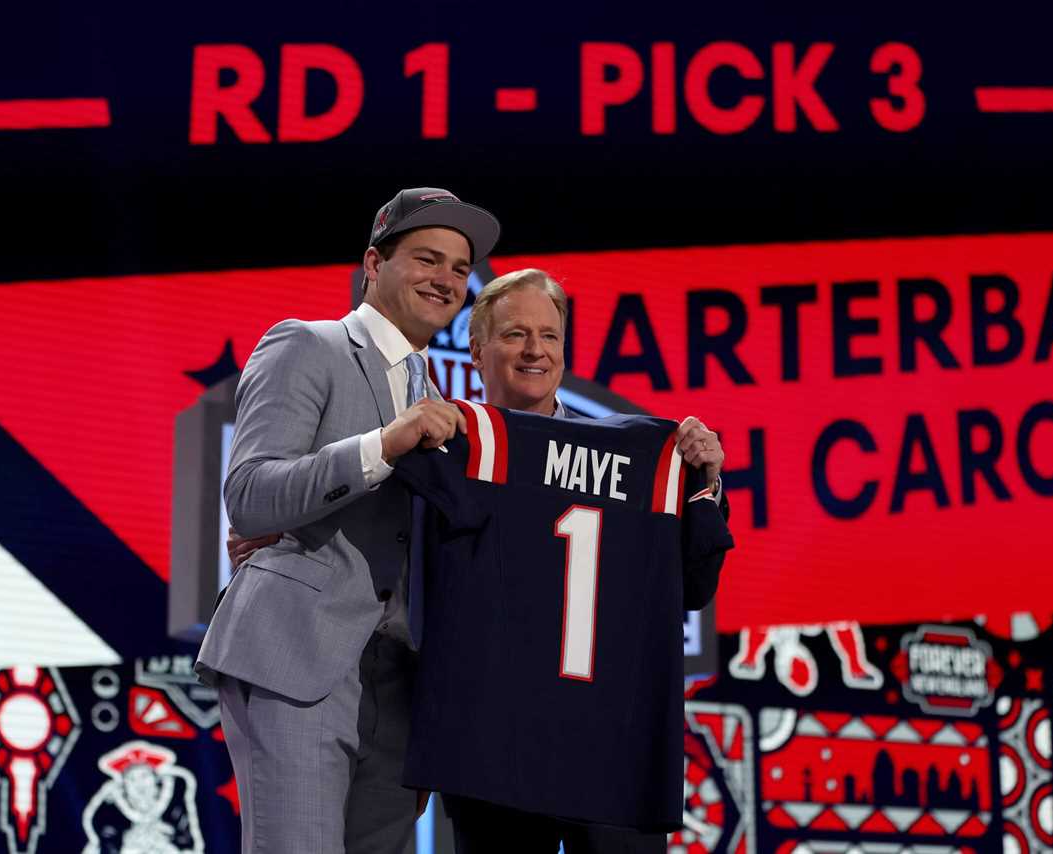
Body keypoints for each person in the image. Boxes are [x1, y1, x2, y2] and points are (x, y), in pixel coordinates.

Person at [229, 268, 730, 853]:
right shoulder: (446, 443)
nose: (534, 350)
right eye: (515, 334)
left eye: (549, 335)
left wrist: (704, 484)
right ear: (476, 349)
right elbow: (380, 535)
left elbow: (693, 586)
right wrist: (292, 533)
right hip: (495, 745)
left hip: (608, 738)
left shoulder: (643, 457)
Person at [195, 187, 500, 854]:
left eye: (458, 268)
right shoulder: (308, 345)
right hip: (299, 657)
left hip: (400, 684)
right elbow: (249, 493)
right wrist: (382, 445)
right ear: (373, 262)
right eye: (427, 259)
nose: (446, 280)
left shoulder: (439, 402)